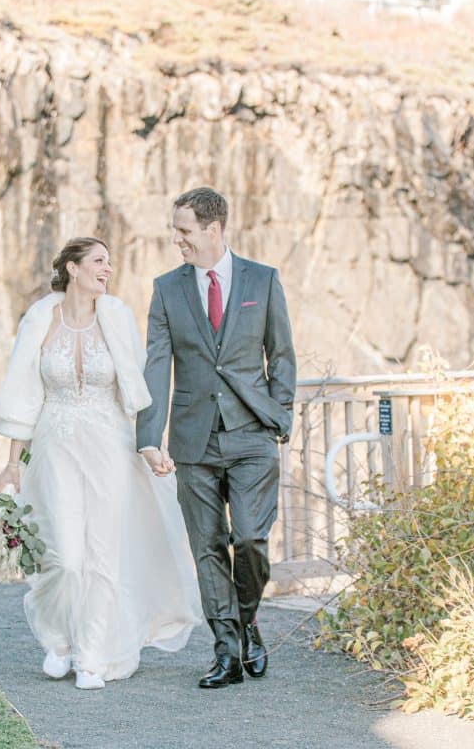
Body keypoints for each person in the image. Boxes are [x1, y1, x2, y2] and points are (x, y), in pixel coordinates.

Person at [0, 238, 201, 691]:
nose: (108, 269)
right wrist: (12, 463)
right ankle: (58, 640)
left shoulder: (118, 318)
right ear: (73, 267)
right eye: (99, 261)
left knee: (105, 555)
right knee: (65, 556)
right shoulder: (41, 319)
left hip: (110, 446)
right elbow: (23, 395)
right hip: (56, 447)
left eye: (109, 262)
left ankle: (91, 655)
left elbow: (141, 391)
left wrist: (150, 445)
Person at [137, 188, 296, 689]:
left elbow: (283, 355)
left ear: (212, 229)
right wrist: (150, 435)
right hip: (193, 439)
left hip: (252, 434)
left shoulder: (263, 280)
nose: (176, 239)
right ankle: (226, 650)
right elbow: (157, 364)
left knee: (249, 539)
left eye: (183, 230)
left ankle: (247, 621)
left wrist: (280, 414)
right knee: (207, 547)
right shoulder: (166, 289)